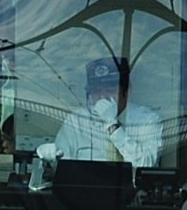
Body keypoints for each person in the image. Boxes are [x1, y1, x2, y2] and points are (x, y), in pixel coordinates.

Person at [33, 59, 165, 180]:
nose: (102, 96)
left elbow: (146, 164)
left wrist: (112, 125)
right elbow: (64, 170)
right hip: (84, 195)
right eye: (96, 91)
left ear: (127, 91)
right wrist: (51, 161)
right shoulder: (77, 120)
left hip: (131, 198)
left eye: (109, 90)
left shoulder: (148, 120)